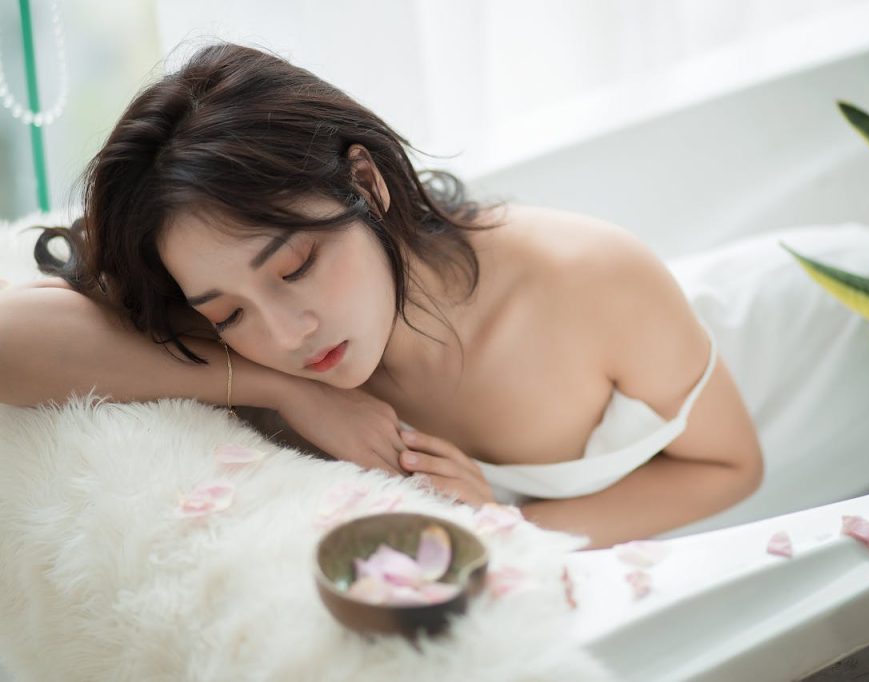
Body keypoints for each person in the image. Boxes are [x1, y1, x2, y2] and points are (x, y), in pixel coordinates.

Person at [0, 42, 762, 549]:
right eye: (226, 312)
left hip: (776, 364)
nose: (286, 333)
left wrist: (507, 528)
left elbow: (731, 467)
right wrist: (286, 390)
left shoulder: (592, 279)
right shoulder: (252, 338)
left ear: (366, 182)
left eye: (295, 265)